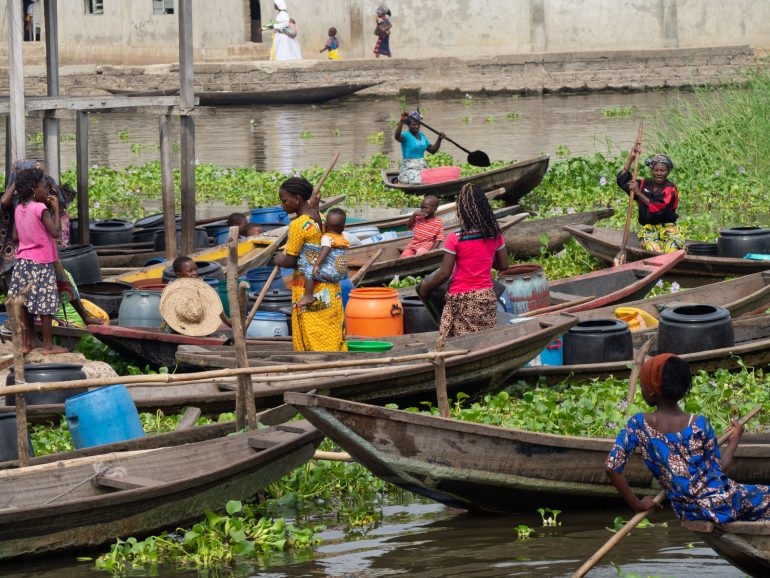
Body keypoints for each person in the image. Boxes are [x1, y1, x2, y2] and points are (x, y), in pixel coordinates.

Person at [605, 354, 770, 523]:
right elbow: (718, 469)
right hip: (721, 504)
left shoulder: (637, 425)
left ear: (653, 391)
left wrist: (638, 505)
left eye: (642, 385)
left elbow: (611, 467)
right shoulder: (700, 424)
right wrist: (735, 441)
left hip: (689, 511)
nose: (642, 389)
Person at [416, 184, 507, 338]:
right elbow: (503, 265)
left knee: (453, 342)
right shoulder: (495, 235)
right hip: (486, 299)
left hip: (461, 300)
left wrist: (424, 289)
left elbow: (444, 273)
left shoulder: (455, 238)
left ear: (462, 210)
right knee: (483, 340)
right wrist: (484, 258)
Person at [273, 177, 347, 352]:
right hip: (329, 287)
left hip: (310, 288)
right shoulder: (319, 216)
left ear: (297, 198)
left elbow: (289, 261)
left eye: (284, 201)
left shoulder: (298, 225)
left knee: (313, 334)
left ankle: (316, 368)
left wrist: (275, 257)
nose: (282, 205)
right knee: (329, 329)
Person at [5, 168, 66, 354]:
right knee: (45, 305)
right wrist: (55, 210)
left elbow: (15, 236)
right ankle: (48, 345)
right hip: (41, 262)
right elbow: (55, 232)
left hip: (22, 262)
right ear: (33, 188)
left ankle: (26, 344)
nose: (44, 190)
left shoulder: (18, 209)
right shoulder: (40, 208)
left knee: (24, 303)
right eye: (42, 187)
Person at [617, 152, 684, 253]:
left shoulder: (670, 188)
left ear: (668, 172)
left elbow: (658, 208)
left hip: (668, 230)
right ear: (652, 171)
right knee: (654, 250)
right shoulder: (644, 184)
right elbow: (622, 180)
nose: (659, 173)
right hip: (649, 231)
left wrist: (639, 193)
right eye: (656, 170)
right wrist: (631, 158)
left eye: (663, 170)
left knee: (671, 250)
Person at [297, 207, 349, 308]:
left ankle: (308, 296)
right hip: (342, 273)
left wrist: (317, 265)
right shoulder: (341, 236)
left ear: (325, 225)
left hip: (331, 272)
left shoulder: (326, 237)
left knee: (309, 270)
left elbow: (325, 250)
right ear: (343, 226)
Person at [171, 256, 230, 327]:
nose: (195, 273)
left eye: (195, 269)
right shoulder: (175, 292)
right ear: (179, 275)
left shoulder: (202, 287)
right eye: (190, 271)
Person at [394, 111, 445, 184]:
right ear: (408, 125)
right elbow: (397, 137)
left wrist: (439, 139)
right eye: (413, 124)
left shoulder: (422, 136)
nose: (416, 126)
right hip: (409, 169)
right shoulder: (405, 135)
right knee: (421, 180)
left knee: (436, 178)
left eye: (418, 124)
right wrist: (401, 121)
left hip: (422, 168)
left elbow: (432, 150)